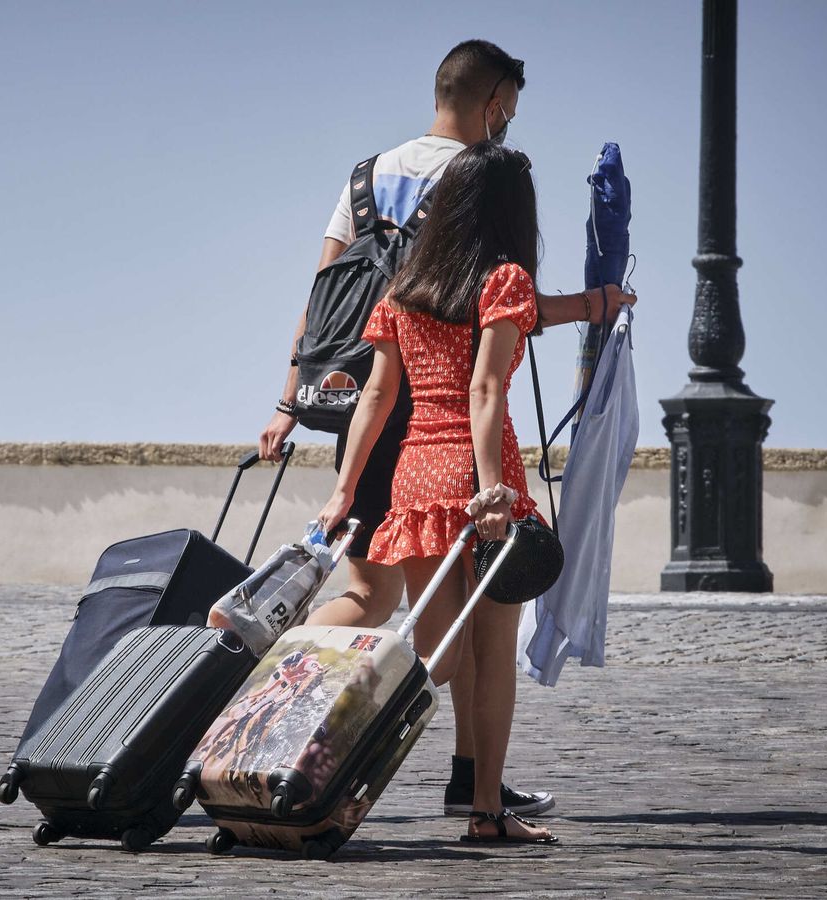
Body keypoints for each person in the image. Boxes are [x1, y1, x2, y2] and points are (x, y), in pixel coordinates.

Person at [260, 38, 607, 822]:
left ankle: (295, 708)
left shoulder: (367, 187)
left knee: (412, 626)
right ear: (492, 105)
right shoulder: (492, 210)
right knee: (460, 639)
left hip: (387, 443)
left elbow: (326, 311)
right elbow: (492, 366)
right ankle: (463, 789)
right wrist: (590, 307)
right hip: (466, 451)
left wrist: (293, 409)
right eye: (508, 113)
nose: (508, 127)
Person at [316, 140, 635, 843]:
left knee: (438, 656)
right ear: (510, 213)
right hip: (482, 474)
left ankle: (346, 781)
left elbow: (376, 395)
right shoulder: (505, 278)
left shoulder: (403, 288)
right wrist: (493, 491)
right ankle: (485, 812)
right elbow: (486, 387)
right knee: (484, 656)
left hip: (416, 475)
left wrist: (344, 493)